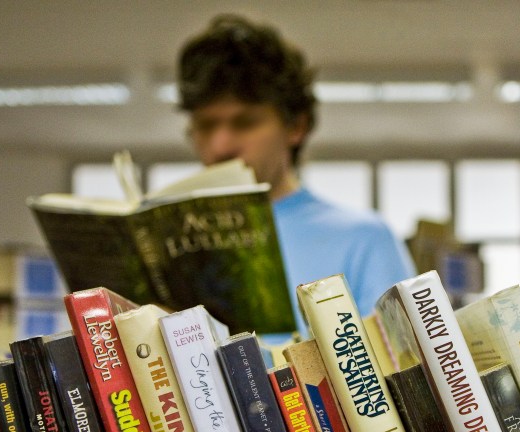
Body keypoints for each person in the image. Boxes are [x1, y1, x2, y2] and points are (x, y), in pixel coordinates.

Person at [177, 14, 416, 334]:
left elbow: (401, 372)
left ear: (296, 126)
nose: (221, 145)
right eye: (206, 125)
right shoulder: (168, 245)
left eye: (245, 122)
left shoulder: (365, 239)